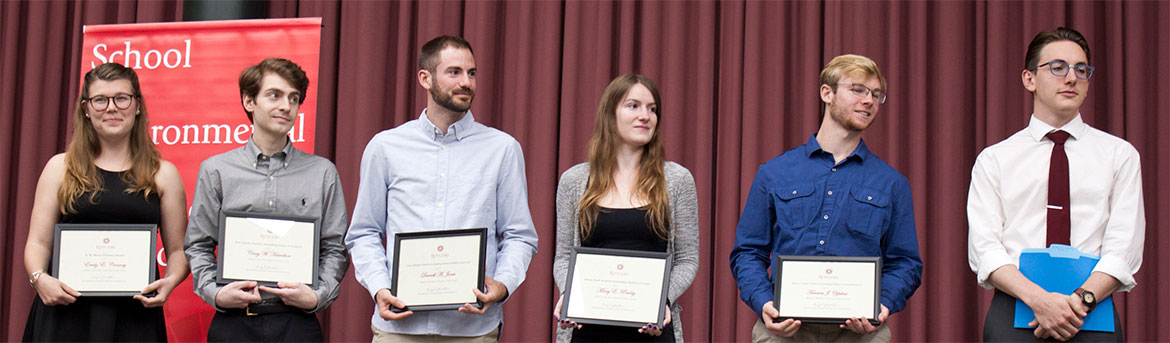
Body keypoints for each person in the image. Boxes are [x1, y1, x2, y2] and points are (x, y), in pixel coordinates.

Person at [345, 35, 539, 342]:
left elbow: (520, 235)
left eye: (472, 73)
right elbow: (363, 232)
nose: (466, 82)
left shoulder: (502, 149)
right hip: (400, 329)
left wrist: (501, 285)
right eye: (455, 72)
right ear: (425, 78)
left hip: (472, 331)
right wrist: (380, 287)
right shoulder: (385, 147)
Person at [729, 54, 922, 342]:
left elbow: (906, 262)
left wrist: (882, 306)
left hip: (860, 335)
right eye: (858, 89)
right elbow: (747, 252)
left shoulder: (892, 183)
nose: (869, 100)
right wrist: (763, 301)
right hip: (784, 332)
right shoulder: (774, 173)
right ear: (827, 93)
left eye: (876, 94)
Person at [967, 27, 1143, 342]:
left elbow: (1124, 248)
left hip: (1092, 311)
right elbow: (986, 250)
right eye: (1058, 68)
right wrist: (1039, 300)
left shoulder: (1120, 155)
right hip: (1015, 311)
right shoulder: (995, 159)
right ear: (1029, 79)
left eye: (1081, 69)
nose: (1071, 77)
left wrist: (1080, 301)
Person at [183, 58, 349, 342]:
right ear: (249, 101)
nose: (286, 105)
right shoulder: (217, 170)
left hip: (297, 323)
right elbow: (198, 244)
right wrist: (216, 293)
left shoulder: (322, 173)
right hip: (233, 323)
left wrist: (317, 296)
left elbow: (335, 248)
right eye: (275, 95)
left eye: (293, 98)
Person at [22, 62, 189, 341]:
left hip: (134, 318)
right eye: (100, 100)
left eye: (121, 98)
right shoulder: (59, 168)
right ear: (86, 109)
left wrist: (171, 282)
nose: (112, 108)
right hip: (64, 315)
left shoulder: (164, 174)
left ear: (137, 106)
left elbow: (178, 251)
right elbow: (37, 243)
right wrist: (40, 279)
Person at [551, 74, 699, 342]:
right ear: (610, 114)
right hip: (587, 330)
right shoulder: (573, 181)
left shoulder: (677, 180)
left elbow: (688, 260)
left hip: (652, 330)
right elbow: (563, 257)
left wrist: (662, 300)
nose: (645, 115)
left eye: (652, 109)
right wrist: (568, 292)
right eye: (634, 106)